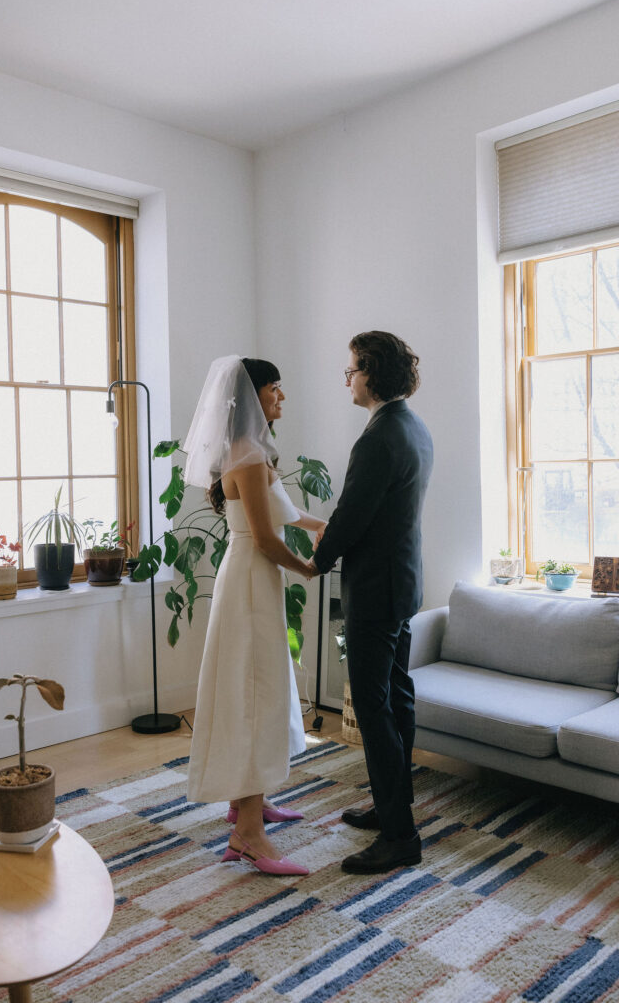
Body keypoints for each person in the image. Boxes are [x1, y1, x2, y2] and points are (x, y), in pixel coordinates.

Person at [184, 355, 326, 877]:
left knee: (261, 690)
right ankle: (248, 835)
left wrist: (319, 525)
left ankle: (250, 804)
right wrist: (307, 569)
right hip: (249, 577)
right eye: (274, 389)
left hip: (252, 578)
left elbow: (280, 512)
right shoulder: (245, 456)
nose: (281, 398)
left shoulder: (252, 451)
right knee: (252, 693)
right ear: (251, 398)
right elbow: (266, 538)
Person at [308, 331, 433, 875]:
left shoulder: (378, 437)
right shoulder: (414, 427)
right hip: (402, 584)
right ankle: (391, 809)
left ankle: (400, 837)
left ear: (373, 373)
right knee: (397, 699)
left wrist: (316, 563)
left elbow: (351, 515)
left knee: (375, 706)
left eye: (353, 369)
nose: (347, 378)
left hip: (377, 592)